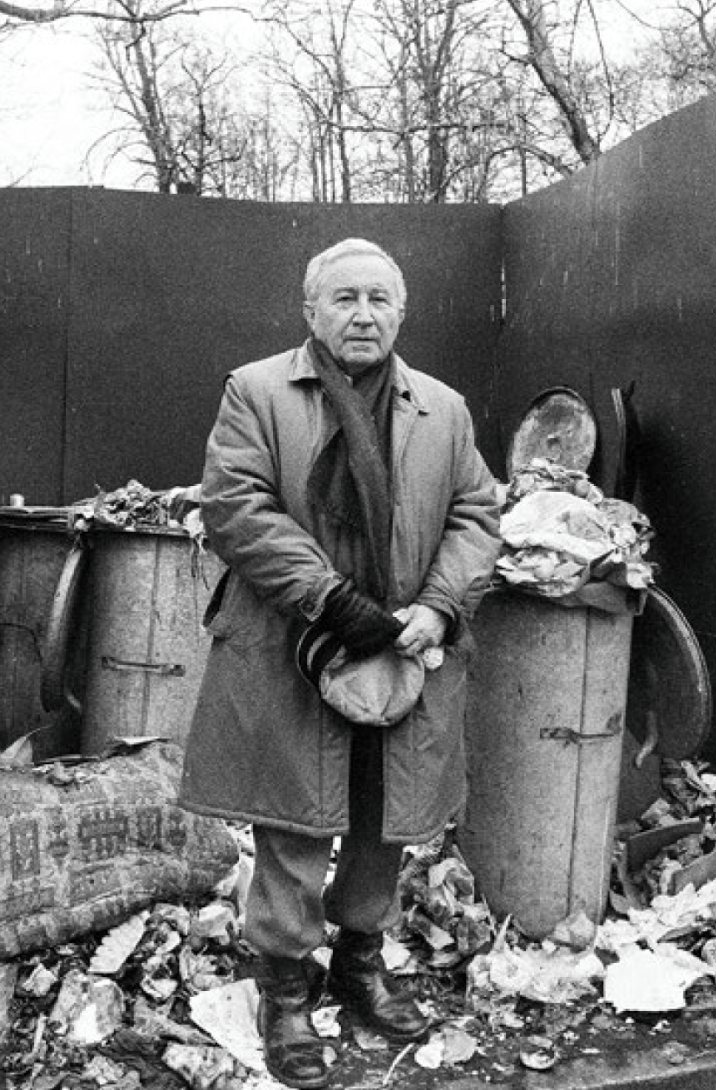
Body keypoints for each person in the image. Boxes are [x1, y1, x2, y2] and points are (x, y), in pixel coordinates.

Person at [179, 238, 502, 1089]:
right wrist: (332, 602)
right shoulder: (256, 391)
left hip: (403, 646)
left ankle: (361, 962)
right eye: (345, 299)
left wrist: (436, 606)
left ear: (402, 313)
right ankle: (285, 990)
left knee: (383, 811)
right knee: (292, 818)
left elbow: (478, 510)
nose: (363, 315)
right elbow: (235, 507)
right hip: (298, 643)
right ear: (310, 312)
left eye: (379, 300)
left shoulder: (444, 408)